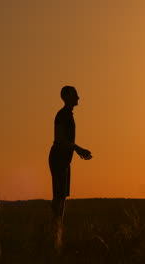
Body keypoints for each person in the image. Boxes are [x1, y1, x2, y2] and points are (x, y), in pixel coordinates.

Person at [49, 86, 92, 234]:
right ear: (67, 97)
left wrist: (76, 150)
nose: (78, 98)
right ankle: (55, 230)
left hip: (65, 159)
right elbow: (59, 139)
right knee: (58, 196)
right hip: (58, 158)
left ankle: (58, 231)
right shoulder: (62, 115)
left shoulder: (68, 114)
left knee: (62, 196)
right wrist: (78, 149)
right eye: (75, 95)